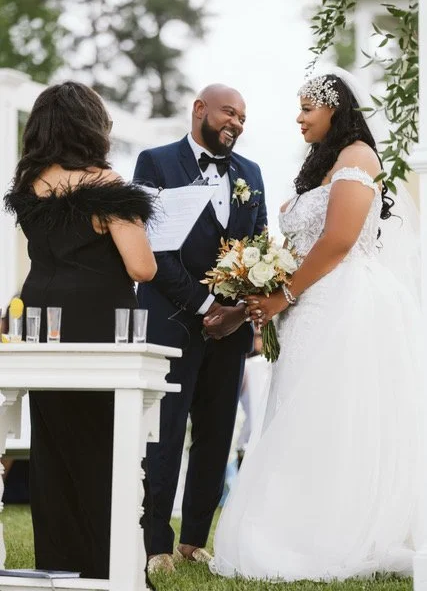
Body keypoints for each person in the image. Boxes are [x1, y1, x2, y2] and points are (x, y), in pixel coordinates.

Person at [210, 68, 427, 581]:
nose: (299, 116)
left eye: (308, 106)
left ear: (335, 108)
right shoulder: (323, 167)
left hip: (345, 306)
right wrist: (256, 297)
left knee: (331, 414)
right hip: (311, 303)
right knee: (301, 414)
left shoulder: (358, 157)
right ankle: (302, 527)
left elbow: (339, 241)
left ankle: (333, 533)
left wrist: (282, 296)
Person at [4, 82, 157, 581]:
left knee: (54, 447)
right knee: (105, 447)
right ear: (90, 125)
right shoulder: (106, 185)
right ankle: (106, 566)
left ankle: (60, 567)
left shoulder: (29, 186)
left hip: (41, 321)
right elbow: (141, 267)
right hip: (98, 325)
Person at [133, 83, 267, 572]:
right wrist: (204, 304)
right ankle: (155, 545)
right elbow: (153, 246)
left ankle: (193, 540)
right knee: (164, 432)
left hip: (228, 329)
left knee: (216, 433)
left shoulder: (250, 173)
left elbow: (259, 243)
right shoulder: (155, 162)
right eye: (229, 112)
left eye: (243, 117)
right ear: (199, 110)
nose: (236, 122)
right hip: (171, 320)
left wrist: (234, 313)